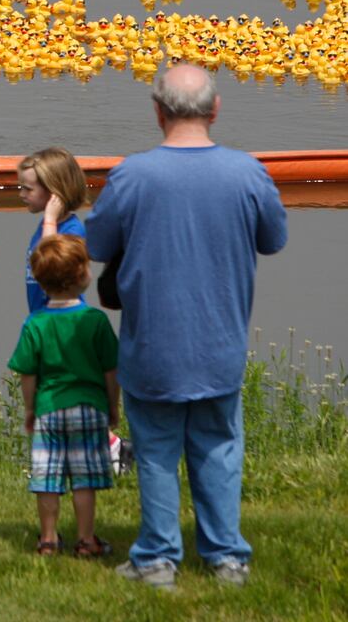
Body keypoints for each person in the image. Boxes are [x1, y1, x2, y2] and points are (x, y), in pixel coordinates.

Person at [86, 63, 287, 589]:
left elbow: (95, 246)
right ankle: (226, 558)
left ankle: (156, 559)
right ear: (216, 109)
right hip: (221, 339)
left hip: (151, 342)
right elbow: (274, 239)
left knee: (155, 452)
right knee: (219, 446)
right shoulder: (249, 172)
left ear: (157, 112)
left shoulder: (131, 175)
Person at [8, 235, 118, 558]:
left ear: (41, 283)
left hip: (49, 409)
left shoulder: (35, 323)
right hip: (89, 407)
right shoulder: (94, 320)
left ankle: (48, 539)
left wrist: (30, 409)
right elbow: (111, 370)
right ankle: (86, 540)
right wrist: (113, 405)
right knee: (84, 479)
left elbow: (28, 374)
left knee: (47, 477)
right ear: (82, 275)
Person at [16, 147, 88, 312]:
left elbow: (51, 268)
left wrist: (50, 220)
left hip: (64, 318)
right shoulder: (46, 225)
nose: (21, 194)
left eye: (28, 188)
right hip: (43, 315)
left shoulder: (72, 231)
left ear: (53, 191)